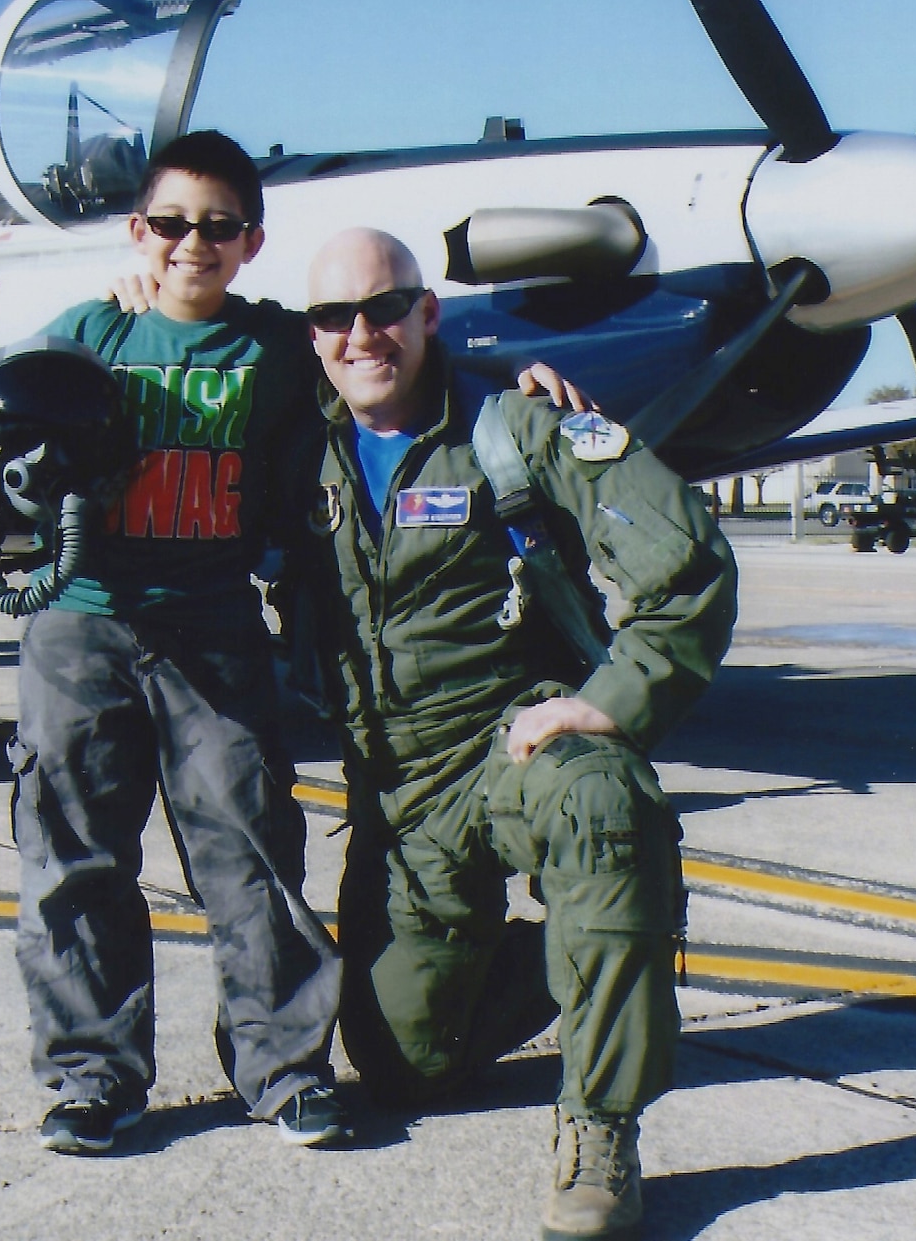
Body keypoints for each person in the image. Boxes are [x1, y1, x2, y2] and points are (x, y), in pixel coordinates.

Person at [0, 131, 348, 1154]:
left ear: (250, 241)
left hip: (215, 626)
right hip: (82, 624)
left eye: (218, 227)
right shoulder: (87, 333)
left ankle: (284, 1069)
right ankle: (90, 1078)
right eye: (170, 223)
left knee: (249, 849)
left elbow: (388, 373)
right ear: (136, 230)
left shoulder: (276, 352)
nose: (192, 243)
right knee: (73, 856)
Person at [296, 228, 736, 1241]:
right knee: (404, 1068)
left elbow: (688, 561)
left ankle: (598, 1128)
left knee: (600, 799)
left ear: (426, 313)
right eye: (332, 316)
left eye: (384, 308)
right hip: (397, 797)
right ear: (309, 334)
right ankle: (586, 953)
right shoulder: (291, 446)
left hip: (507, 745)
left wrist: (610, 700)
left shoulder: (514, 429)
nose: (361, 335)